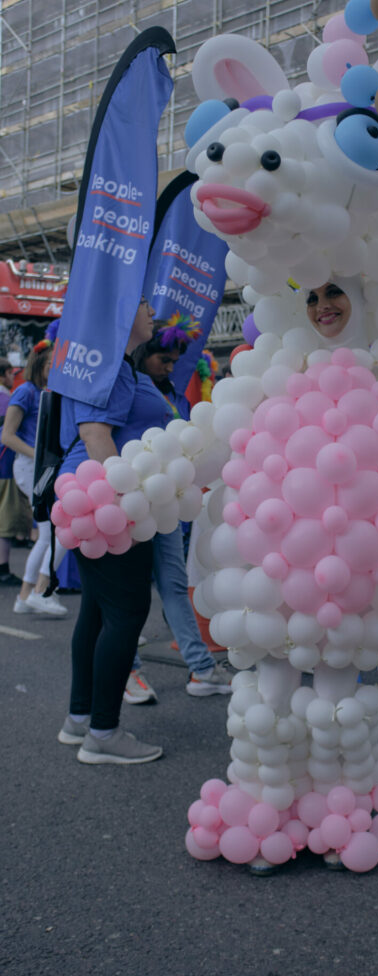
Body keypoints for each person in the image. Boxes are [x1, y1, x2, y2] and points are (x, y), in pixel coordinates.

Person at [57, 296, 168, 765]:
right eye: (142, 302)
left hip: (89, 500)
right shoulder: (109, 365)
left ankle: (80, 719)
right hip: (105, 504)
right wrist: (126, 503)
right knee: (126, 612)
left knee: (99, 613)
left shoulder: (110, 364)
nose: (151, 310)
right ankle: (103, 733)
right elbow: (95, 436)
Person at [124, 316, 232, 704]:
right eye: (163, 359)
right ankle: (127, 671)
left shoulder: (171, 393)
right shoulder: (126, 386)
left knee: (172, 585)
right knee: (128, 594)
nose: (169, 367)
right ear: (143, 353)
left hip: (166, 503)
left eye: (173, 361)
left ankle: (201, 668)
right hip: (127, 502)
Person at [1, 339, 68, 616]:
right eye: (51, 364)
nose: (55, 369)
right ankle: (39, 591)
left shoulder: (47, 391)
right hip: (31, 468)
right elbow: (6, 435)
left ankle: (25, 596)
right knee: (57, 531)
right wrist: (37, 456)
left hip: (42, 467)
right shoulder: (25, 392)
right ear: (39, 364)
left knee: (49, 532)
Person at [0, 356, 32, 586]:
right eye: (11, 374)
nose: (14, 377)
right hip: (5, 464)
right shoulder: (5, 398)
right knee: (6, 518)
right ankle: (2, 568)